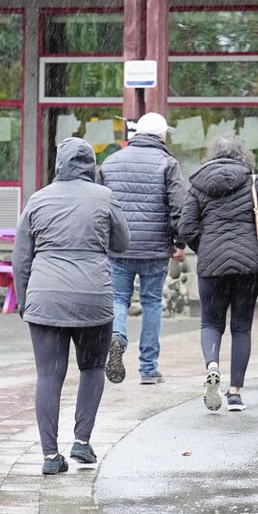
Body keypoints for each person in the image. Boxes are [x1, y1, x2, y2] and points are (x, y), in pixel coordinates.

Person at [12, 137, 131, 475]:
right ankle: (82, 441)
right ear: (91, 165)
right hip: (94, 297)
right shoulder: (104, 197)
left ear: (59, 164)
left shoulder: (37, 200)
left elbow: (21, 258)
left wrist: (25, 301)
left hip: (45, 296)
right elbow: (123, 243)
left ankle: (50, 456)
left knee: (48, 374)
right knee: (92, 368)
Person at [179, 134, 258, 412]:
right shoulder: (253, 182)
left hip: (211, 266)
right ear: (242, 154)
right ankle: (234, 394)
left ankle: (212, 366)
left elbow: (186, 227)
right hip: (247, 267)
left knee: (210, 323)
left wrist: (206, 248)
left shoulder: (198, 185)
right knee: (241, 327)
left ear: (212, 154)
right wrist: (257, 248)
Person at [95, 111, 187, 386]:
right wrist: (179, 243)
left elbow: (100, 204)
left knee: (118, 300)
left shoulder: (111, 162)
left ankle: (117, 337)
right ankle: (148, 369)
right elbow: (179, 207)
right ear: (161, 135)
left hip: (118, 249)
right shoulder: (168, 164)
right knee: (151, 304)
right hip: (155, 249)